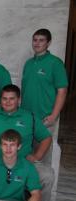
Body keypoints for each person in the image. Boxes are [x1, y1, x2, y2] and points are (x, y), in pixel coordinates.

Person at [0, 85, 54, 201]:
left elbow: (46, 138)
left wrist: (36, 156)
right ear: (0, 99)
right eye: (4, 98)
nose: (7, 102)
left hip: (24, 166)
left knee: (47, 175)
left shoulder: (29, 117)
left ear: (19, 99)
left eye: (11, 99)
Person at [21, 28, 68, 166]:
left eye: (41, 40)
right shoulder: (28, 63)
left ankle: (44, 187)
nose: (37, 43)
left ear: (48, 43)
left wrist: (54, 115)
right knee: (26, 157)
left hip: (45, 118)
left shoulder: (55, 63)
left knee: (42, 160)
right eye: (35, 40)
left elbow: (62, 91)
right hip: (27, 118)